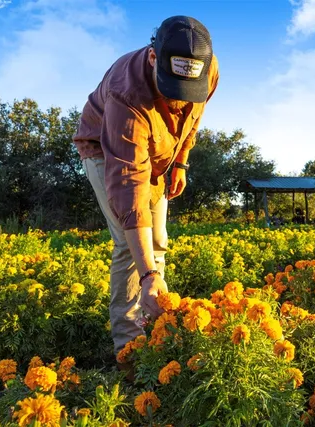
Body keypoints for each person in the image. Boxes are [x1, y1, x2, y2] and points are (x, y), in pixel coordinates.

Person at [71, 15, 219, 377]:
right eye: (172, 88)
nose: (178, 98)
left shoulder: (206, 67)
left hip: (159, 154)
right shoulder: (127, 94)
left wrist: (181, 162)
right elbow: (129, 189)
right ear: (154, 58)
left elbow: (194, 116)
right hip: (106, 151)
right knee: (129, 243)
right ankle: (130, 349)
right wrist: (148, 271)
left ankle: (156, 320)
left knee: (158, 242)